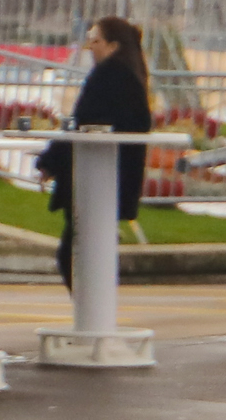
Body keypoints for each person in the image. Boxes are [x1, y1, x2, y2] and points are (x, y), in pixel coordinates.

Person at [37, 15, 153, 290]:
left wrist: (50, 162)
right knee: (87, 251)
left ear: (113, 45)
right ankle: (93, 317)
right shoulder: (132, 74)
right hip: (113, 178)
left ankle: (90, 317)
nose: (90, 49)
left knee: (72, 254)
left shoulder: (109, 75)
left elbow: (83, 124)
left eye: (96, 41)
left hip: (94, 179)